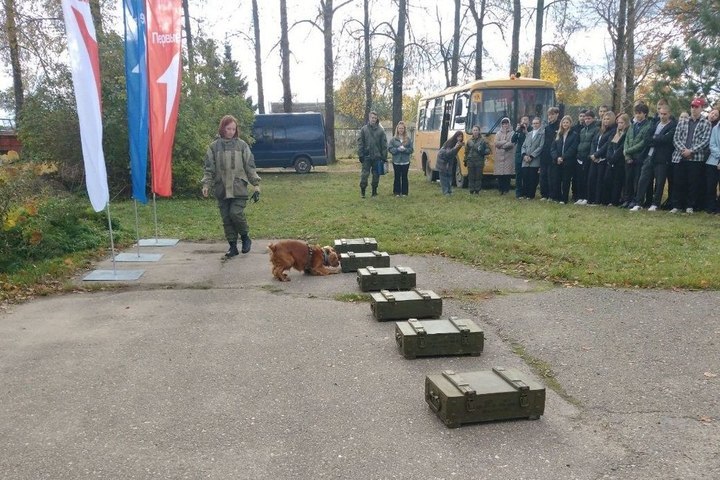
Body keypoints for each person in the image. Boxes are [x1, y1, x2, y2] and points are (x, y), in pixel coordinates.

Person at [202, 115, 261, 258]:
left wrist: (256, 184)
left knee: (236, 214)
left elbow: (250, 166)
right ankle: (232, 246)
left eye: (233, 129)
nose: (231, 131)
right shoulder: (213, 147)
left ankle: (245, 237)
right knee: (226, 218)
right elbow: (208, 168)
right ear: (222, 128)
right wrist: (206, 184)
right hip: (221, 189)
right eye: (228, 129)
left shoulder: (242, 145)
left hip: (238, 188)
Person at [630, 105, 676, 212]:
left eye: (665, 114)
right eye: (661, 114)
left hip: (662, 158)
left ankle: (655, 204)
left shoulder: (673, 126)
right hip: (649, 156)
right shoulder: (655, 124)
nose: (663, 116)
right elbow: (647, 139)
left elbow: (666, 139)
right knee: (642, 180)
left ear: (669, 114)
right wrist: (656, 139)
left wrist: (654, 138)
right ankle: (639, 202)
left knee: (659, 183)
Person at [670, 98, 712, 213]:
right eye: (692, 106)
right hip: (679, 156)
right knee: (678, 181)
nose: (693, 109)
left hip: (696, 158)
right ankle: (677, 205)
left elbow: (705, 141)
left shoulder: (706, 123)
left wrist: (691, 151)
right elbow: (676, 138)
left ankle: (690, 205)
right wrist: (683, 150)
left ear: (702, 108)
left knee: (693, 183)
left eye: (696, 107)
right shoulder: (682, 121)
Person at [622, 103, 651, 208]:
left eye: (640, 113)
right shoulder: (632, 126)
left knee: (637, 180)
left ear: (645, 114)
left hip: (639, 157)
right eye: (636, 113)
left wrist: (628, 150)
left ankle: (635, 200)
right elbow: (627, 140)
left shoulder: (648, 125)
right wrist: (627, 154)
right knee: (628, 179)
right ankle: (627, 199)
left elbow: (643, 142)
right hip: (629, 157)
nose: (637, 115)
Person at [588, 111, 616, 206]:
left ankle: (598, 200)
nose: (605, 121)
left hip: (603, 159)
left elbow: (607, 145)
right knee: (592, 178)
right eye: (604, 119)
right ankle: (590, 199)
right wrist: (592, 154)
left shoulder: (613, 131)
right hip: (594, 159)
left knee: (600, 180)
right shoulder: (600, 130)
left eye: (608, 119)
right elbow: (593, 142)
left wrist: (597, 155)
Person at [358, 111, 388, 198]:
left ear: (376, 119)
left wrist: (384, 157)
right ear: (369, 118)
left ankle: (374, 192)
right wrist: (360, 155)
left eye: (375, 118)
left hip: (377, 157)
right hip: (366, 156)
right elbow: (360, 143)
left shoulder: (381, 130)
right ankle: (363, 192)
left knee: (376, 175)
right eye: (372, 118)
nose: (373, 119)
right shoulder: (364, 129)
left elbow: (384, 145)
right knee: (364, 175)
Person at [550, 115, 579, 204]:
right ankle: (556, 197)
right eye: (563, 122)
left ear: (570, 124)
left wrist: (563, 157)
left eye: (567, 122)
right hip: (557, 161)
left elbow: (573, 148)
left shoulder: (574, 135)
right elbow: (553, 148)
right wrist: (556, 157)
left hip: (568, 161)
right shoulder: (558, 134)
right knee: (557, 179)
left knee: (566, 180)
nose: (565, 124)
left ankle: (564, 198)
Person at [574, 110, 599, 204]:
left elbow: (594, 143)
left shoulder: (596, 129)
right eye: (586, 118)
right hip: (579, 156)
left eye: (589, 118)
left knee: (587, 178)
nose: (587, 120)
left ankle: (586, 197)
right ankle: (580, 197)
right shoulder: (583, 130)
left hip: (588, 157)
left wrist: (590, 155)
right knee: (580, 178)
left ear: (593, 119)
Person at [605, 113, 628, 206]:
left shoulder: (626, 134)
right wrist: (609, 157)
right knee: (608, 180)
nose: (620, 125)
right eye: (618, 123)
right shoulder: (615, 133)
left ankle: (614, 201)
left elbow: (621, 148)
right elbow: (610, 146)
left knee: (617, 182)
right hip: (611, 161)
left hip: (620, 162)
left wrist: (614, 158)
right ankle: (607, 199)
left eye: (622, 123)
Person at [521, 116, 545, 199]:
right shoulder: (529, 133)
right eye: (534, 123)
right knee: (525, 177)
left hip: (534, 160)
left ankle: (531, 195)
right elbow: (523, 146)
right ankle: (525, 194)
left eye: (537, 123)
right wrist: (524, 155)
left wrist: (531, 156)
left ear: (540, 124)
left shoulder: (542, 134)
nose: (535, 125)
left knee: (533, 178)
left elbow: (541, 147)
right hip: (525, 160)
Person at [388, 121, 414, 197]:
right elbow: (390, 149)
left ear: (404, 129)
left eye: (402, 128)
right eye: (400, 128)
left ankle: (405, 192)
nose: (401, 130)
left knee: (404, 177)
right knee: (397, 176)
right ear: (397, 129)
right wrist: (397, 150)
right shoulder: (393, 139)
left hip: (405, 161)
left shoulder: (408, 139)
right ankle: (396, 192)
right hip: (396, 161)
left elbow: (411, 150)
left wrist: (405, 150)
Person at [540, 107, 560, 200]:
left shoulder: (560, 126)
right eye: (549, 114)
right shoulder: (547, 127)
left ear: (557, 114)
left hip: (554, 154)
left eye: (552, 114)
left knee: (552, 176)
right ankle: (544, 194)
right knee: (543, 175)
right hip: (545, 154)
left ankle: (553, 195)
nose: (550, 116)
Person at [436, 131, 464, 195]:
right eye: (458, 137)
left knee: (449, 175)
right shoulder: (450, 143)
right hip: (443, 160)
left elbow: (453, 154)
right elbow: (448, 153)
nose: (460, 138)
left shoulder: (458, 143)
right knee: (444, 177)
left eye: (461, 137)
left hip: (449, 160)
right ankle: (445, 192)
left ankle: (449, 191)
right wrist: (455, 147)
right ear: (455, 137)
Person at [464, 125, 490, 194]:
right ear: (472, 131)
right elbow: (466, 152)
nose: (475, 131)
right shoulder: (469, 141)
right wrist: (465, 160)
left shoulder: (483, 141)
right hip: (470, 160)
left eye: (476, 130)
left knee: (478, 176)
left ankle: (477, 190)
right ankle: (471, 190)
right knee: (471, 176)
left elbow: (488, 150)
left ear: (479, 131)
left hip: (479, 161)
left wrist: (482, 151)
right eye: (474, 130)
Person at [493, 117, 515, 194]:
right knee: (500, 175)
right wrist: (505, 141)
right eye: (503, 124)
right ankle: (500, 189)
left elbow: (512, 143)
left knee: (507, 174)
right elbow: (496, 143)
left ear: (509, 124)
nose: (505, 125)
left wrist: (502, 145)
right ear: (501, 125)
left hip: (508, 156)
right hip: (499, 157)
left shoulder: (512, 133)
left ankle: (506, 189)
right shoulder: (498, 133)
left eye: (506, 123)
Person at [512, 116, 530, 198]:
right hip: (519, 154)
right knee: (518, 175)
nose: (524, 122)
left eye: (526, 120)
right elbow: (513, 140)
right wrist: (516, 131)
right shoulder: (518, 130)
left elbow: (531, 140)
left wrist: (526, 132)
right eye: (523, 120)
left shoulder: (531, 130)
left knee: (526, 175)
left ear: (529, 122)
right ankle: (518, 193)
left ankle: (526, 192)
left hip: (527, 154)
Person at [707, 115, 720, 213]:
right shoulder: (715, 128)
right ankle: (711, 207)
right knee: (711, 185)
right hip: (713, 161)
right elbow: (712, 145)